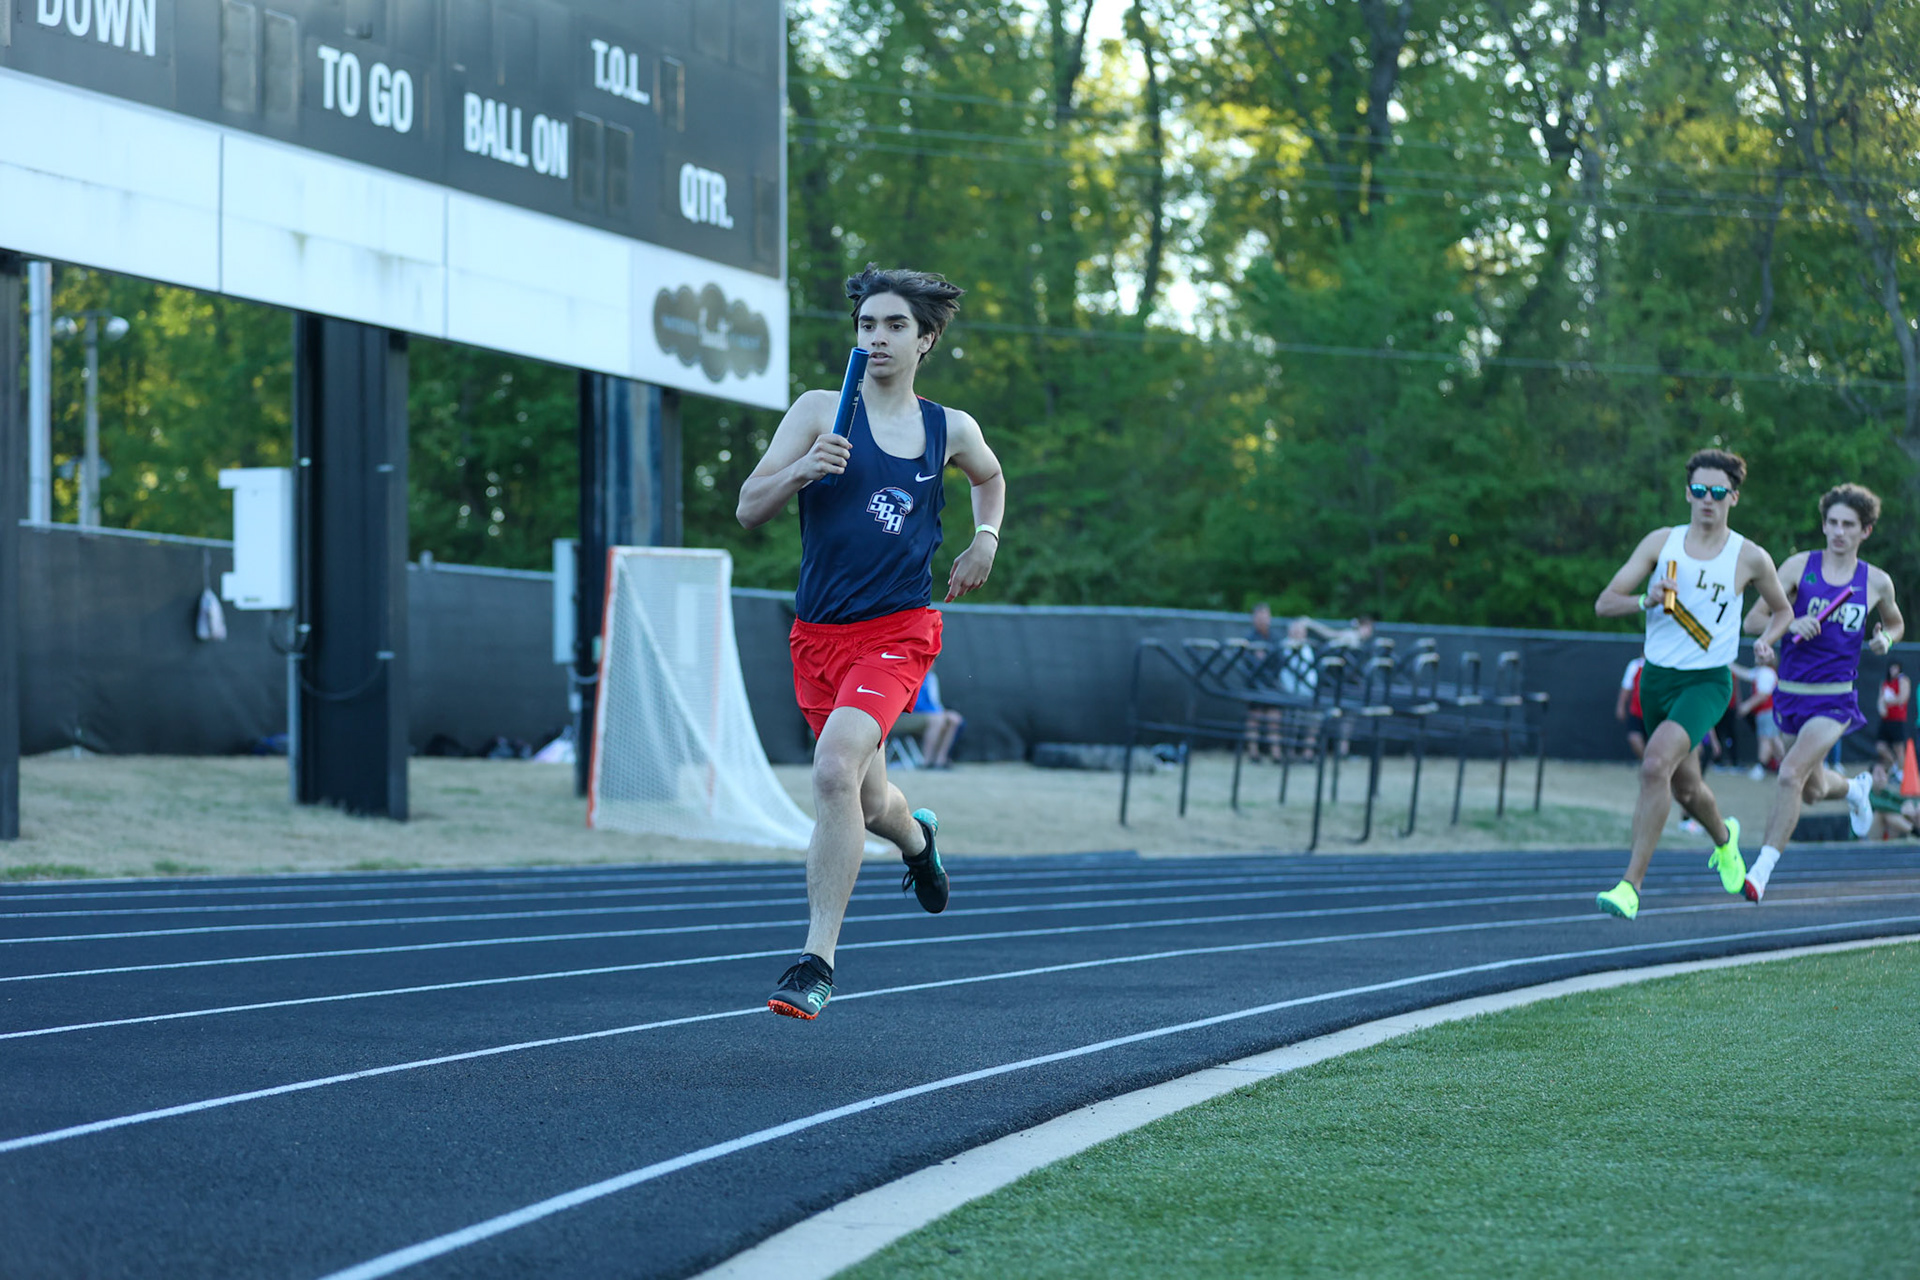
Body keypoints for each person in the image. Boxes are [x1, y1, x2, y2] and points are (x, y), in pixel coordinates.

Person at [736, 265, 1006, 1020]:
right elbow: (748, 507)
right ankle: (916, 840)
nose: (877, 337)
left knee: (830, 771)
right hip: (819, 636)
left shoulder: (947, 428)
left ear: (925, 340)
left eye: (894, 326)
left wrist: (984, 537)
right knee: (869, 795)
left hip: (897, 631)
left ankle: (814, 960)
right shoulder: (822, 411)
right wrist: (799, 469)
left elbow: (990, 478)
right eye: (866, 325)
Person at [1593, 449, 1793, 920]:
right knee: (1686, 788)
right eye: (1700, 490)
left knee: (1653, 765)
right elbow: (1606, 602)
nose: (1708, 499)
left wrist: (1767, 640)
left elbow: (1782, 611)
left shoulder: (1750, 556)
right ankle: (1725, 840)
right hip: (1657, 679)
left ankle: (1630, 886)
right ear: (1688, 493)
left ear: (1733, 498)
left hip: (1706, 682)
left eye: (1718, 492)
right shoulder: (1661, 543)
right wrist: (1647, 599)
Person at [1738, 483, 1903, 902]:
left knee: (1789, 773)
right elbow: (1754, 622)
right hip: (1791, 695)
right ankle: (1855, 789)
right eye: (1832, 522)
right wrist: (1790, 624)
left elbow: (1895, 624)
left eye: (1848, 524)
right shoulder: (1798, 567)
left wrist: (1886, 640)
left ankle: (1761, 869)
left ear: (1865, 531)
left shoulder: (1876, 582)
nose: (1838, 532)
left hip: (1835, 699)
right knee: (1809, 790)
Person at [1243, 603, 1284, 762]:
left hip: (1271, 685)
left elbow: (1280, 661)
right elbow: (1247, 663)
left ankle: (1276, 753)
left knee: (1274, 719)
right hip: (1255, 685)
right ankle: (1253, 753)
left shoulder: (1274, 638)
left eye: (1266, 615)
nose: (1263, 619)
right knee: (1255, 718)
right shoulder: (1249, 639)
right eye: (1260, 616)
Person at [909, 668, 965, 768]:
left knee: (954, 720)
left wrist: (944, 713)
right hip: (910, 716)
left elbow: (935, 702)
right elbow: (915, 704)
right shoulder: (912, 675)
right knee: (937, 720)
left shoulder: (931, 678)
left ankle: (940, 760)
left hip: (930, 713)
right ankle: (926, 761)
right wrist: (940, 714)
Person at [1737, 659, 1783, 777]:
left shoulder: (1766, 672)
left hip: (1768, 711)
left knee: (1766, 739)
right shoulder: (1762, 671)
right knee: (1773, 739)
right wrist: (1728, 664)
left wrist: (1746, 706)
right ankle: (1785, 765)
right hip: (1769, 711)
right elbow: (1745, 673)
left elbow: (1762, 695)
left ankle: (1761, 767)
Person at [1875, 660, 1911, 770]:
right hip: (1886, 719)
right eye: (1891, 668)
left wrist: (1888, 701)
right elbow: (1880, 700)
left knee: (1898, 747)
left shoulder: (1903, 680)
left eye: (1895, 668)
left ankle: (1902, 773)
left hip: (1897, 719)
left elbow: (1902, 698)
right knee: (1880, 746)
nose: (1893, 671)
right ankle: (1894, 765)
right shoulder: (1885, 682)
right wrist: (1881, 706)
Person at [1616, 655, 1647, 760]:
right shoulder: (1636, 665)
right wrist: (1620, 707)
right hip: (1637, 712)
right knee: (1634, 738)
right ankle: (1646, 763)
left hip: (1655, 713)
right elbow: (1626, 688)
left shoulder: (1662, 665)